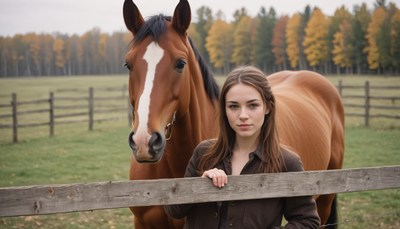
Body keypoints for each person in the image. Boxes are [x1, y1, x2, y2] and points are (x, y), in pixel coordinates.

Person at [164, 66, 321, 229]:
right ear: (224, 110)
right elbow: (174, 210)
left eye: (252, 105)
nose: (243, 115)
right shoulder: (204, 153)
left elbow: (308, 222)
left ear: (267, 107)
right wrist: (198, 186)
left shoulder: (287, 162)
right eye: (233, 106)